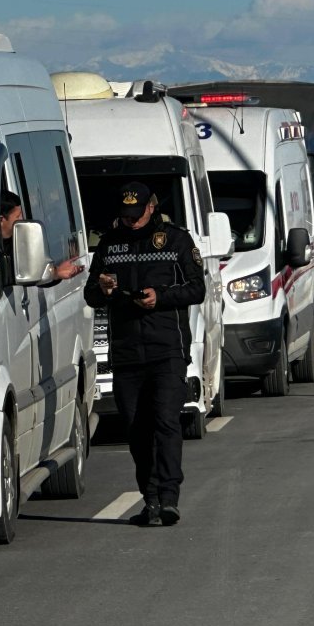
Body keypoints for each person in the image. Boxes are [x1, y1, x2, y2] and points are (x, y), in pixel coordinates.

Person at [84, 182, 205, 527]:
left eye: (137, 215)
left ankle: (168, 497)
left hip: (167, 348)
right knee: (136, 429)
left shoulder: (176, 240)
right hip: (126, 352)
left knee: (166, 422)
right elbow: (92, 294)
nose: (132, 222)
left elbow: (197, 288)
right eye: (126, 216)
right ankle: (149, 498)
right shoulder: (109, 243)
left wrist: (160, 296)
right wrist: (104, 289)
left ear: (152, 207)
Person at [0, 192, 84, 282]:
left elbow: (35, 271)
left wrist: (55, 273)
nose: (23, 219)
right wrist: (55, 272)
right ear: (1, 220)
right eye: (18, 216)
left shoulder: (19, 242)